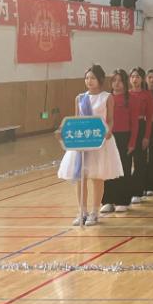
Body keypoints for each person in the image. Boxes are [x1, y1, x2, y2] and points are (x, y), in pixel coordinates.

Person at [57, 65, 124, 226]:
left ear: (100, 79)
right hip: (82, 142)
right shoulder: (80, 98)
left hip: (100, 141)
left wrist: (108, 131)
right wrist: (64, 131)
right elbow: (76, 120)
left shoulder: (107, 97)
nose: (89, 81)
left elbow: (110, 119)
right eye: (87, 78)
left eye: (92, 78)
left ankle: (94, 212)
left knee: (97, 177)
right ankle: (82, 212)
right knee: (81, 177)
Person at [99, 69, 137, 215]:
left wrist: (132, 142)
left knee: (123, 169)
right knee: (108, 169)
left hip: (124, 137)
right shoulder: (106, 98)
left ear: (125, 83)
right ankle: (108, 200)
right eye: (114, 80)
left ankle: (122, 200)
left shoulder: (131, 99)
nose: (117, 83)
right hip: (109, 137)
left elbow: (134, 123)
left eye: (120, 80)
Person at [126, 68, 153, 205]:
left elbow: (149, 118)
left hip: (141, 126)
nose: (134, 79)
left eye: (137, 76)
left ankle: (137, 191)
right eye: (132, 76)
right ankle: (127, 191)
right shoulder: (127, 94)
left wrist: (146, 136)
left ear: (142, 79)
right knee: (127, 161)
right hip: (128, 128)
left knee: (140, 161)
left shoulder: (146, 95)